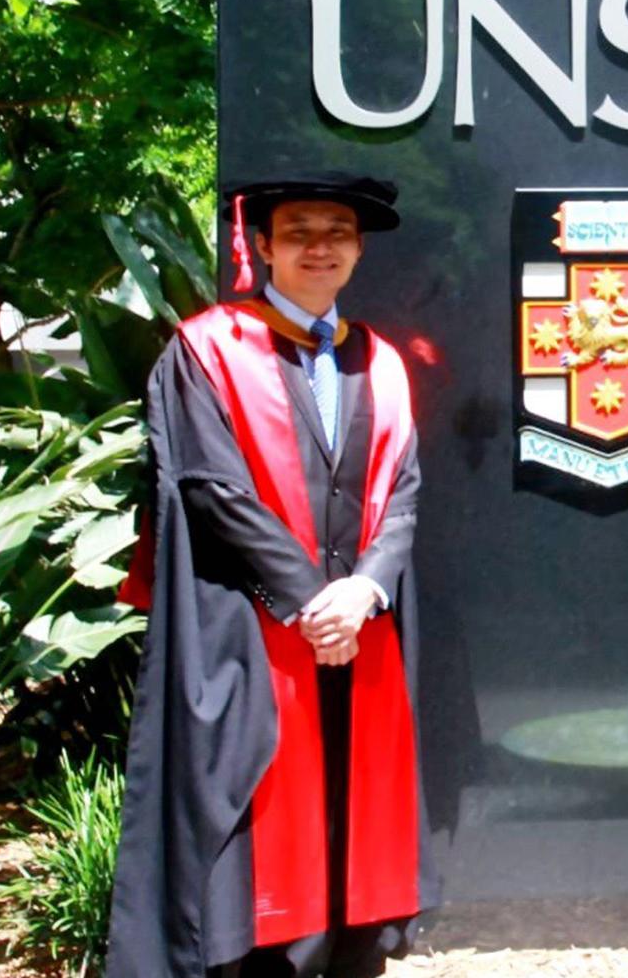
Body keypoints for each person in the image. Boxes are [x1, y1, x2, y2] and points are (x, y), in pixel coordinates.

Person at [108, 172, 435, 978]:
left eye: (336, 232)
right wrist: (309, 603)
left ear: (358, 251)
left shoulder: (381, 362)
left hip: (361, 638)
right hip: (252, 638)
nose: (317, 246)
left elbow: (404, 492)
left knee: (352, 822)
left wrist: (364, 590)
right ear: (262, 247)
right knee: (256, 844)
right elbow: (212, 489)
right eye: (298, 232)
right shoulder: (209, 349)